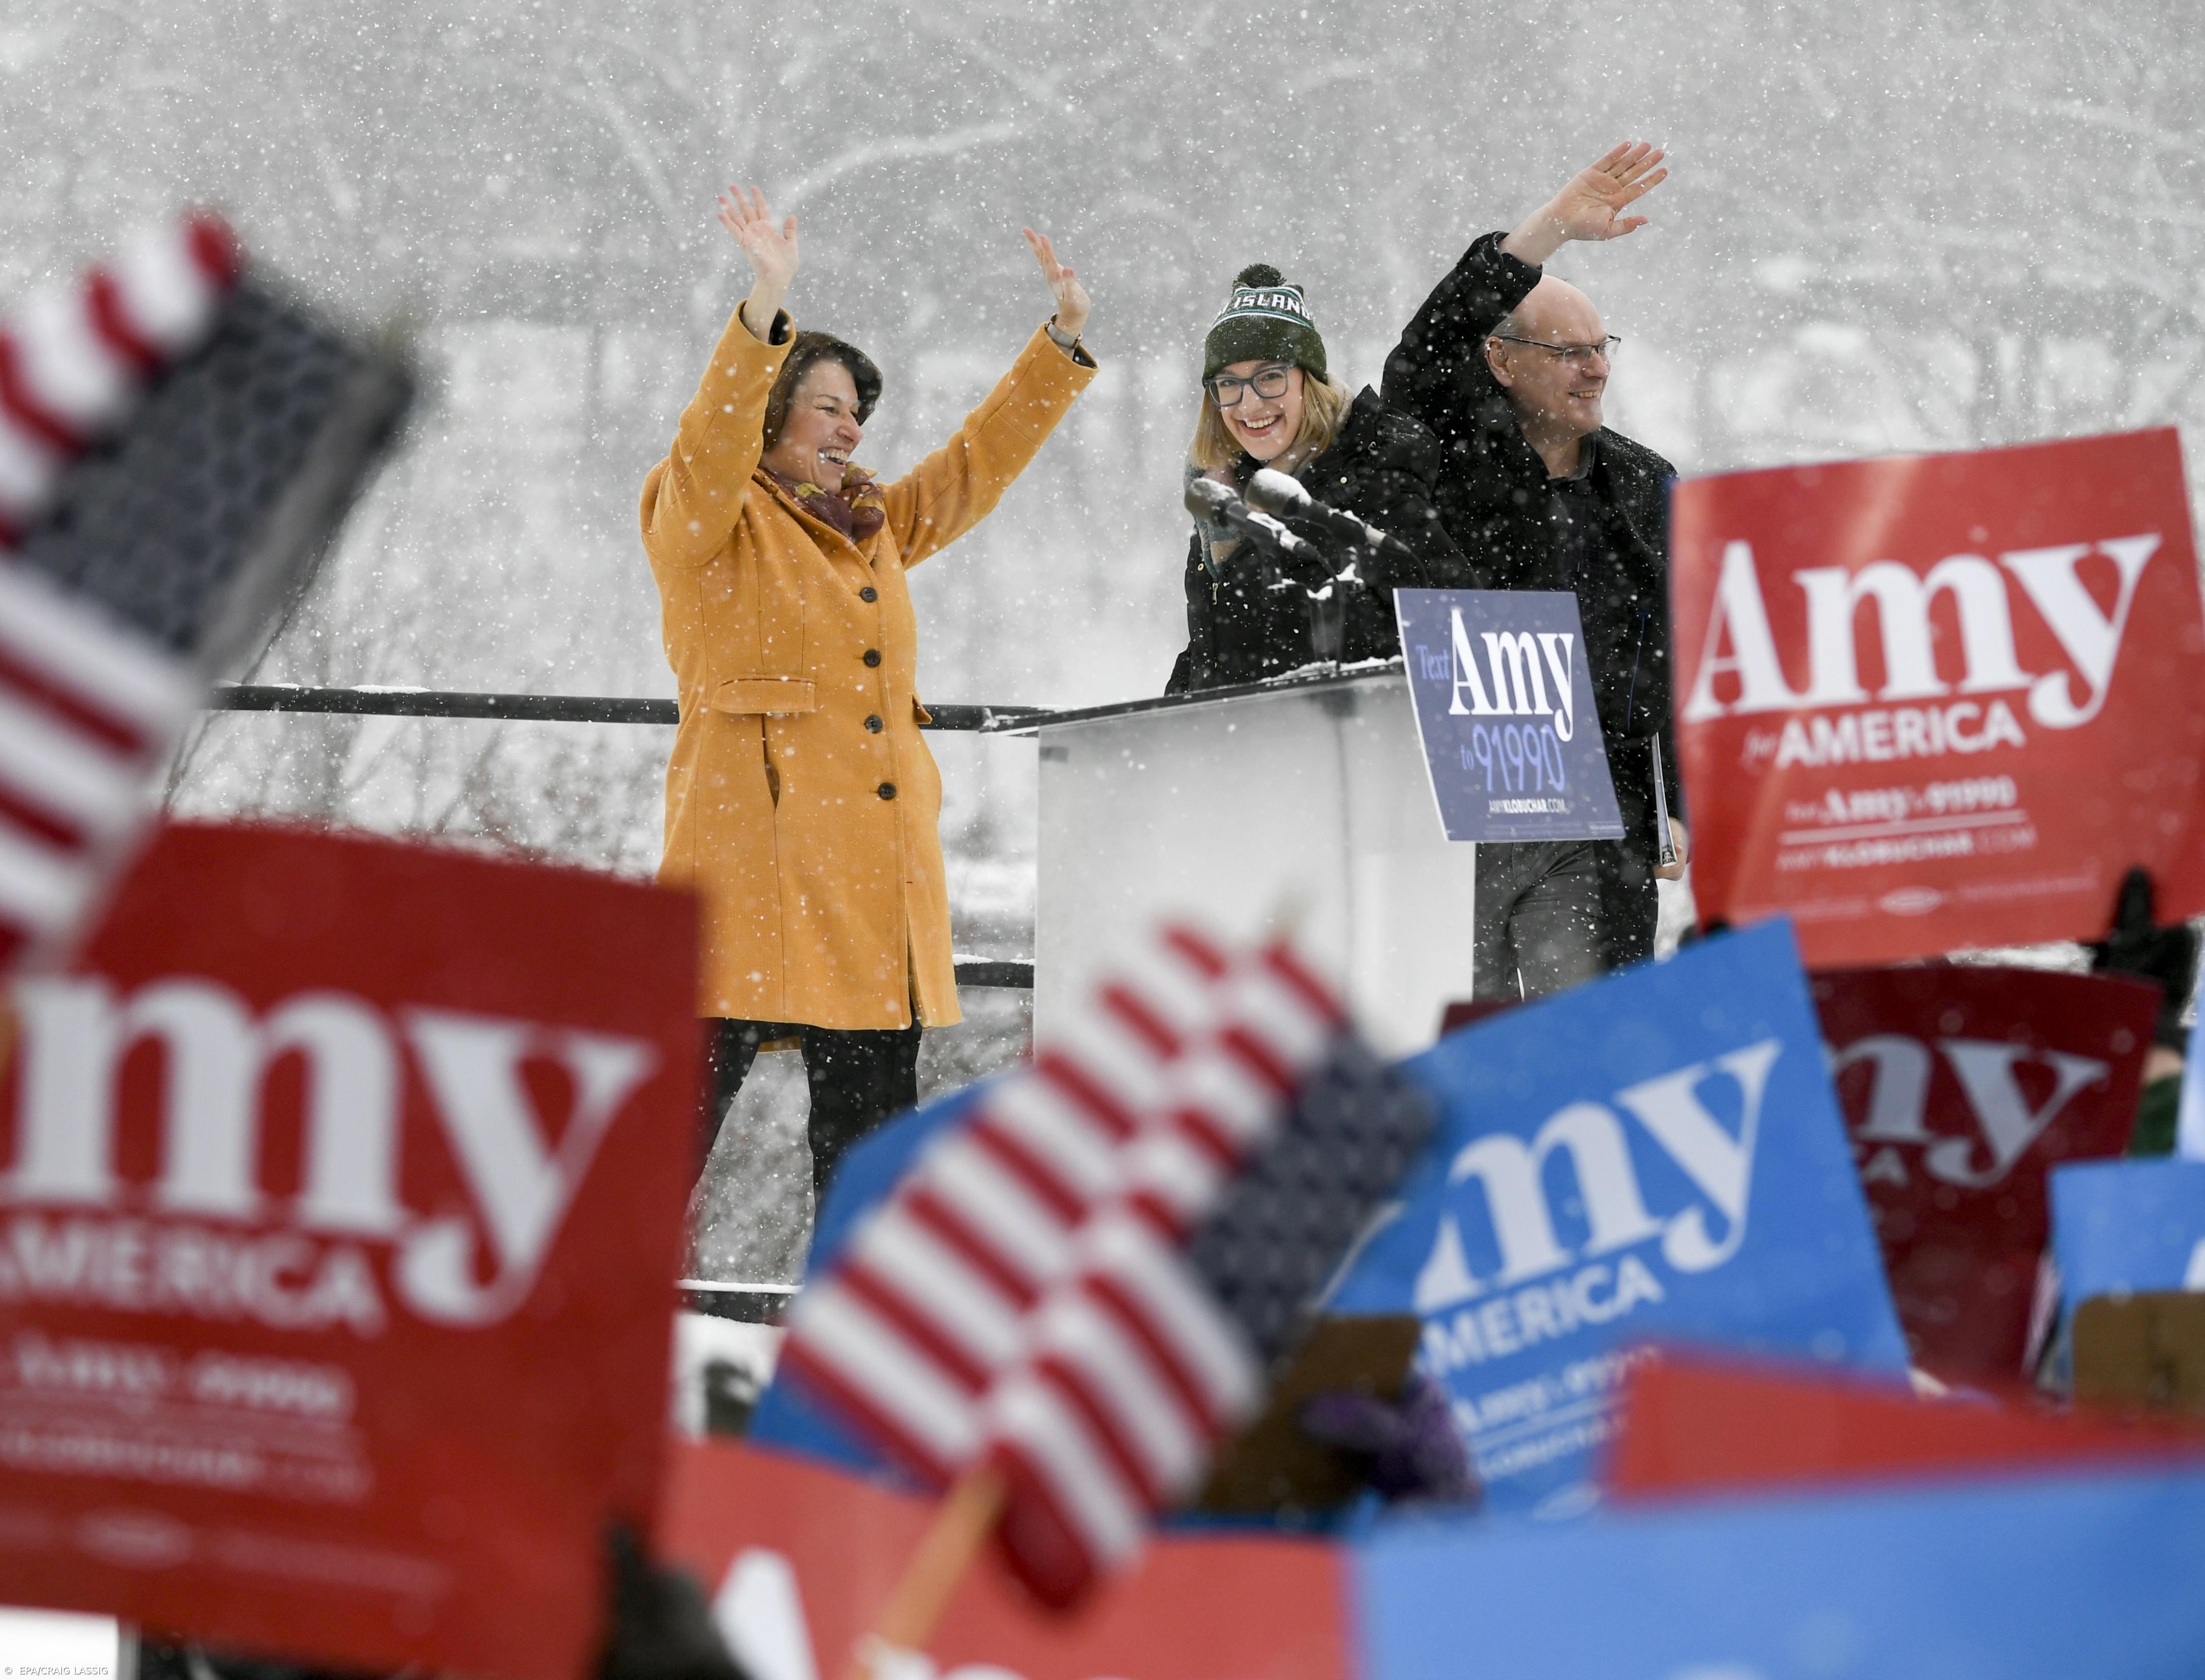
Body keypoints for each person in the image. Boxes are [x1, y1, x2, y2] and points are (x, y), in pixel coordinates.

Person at [640, 185, 1096, 1199]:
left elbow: (971, 471)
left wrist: (1059, 343)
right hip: (745, 875)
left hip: (867, 885)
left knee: (864, 1167)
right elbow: (710, 439)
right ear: (771, 411)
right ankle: (582, 1304)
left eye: (858, 412)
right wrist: (764, 305)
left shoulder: (869, 521)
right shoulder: (705, 519)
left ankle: (846, 1305)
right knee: (657, 1157)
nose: (850, 428)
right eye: (828, 407)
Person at [1382, 143, 1688, 991]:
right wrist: (1549, 230)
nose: (1597, 368)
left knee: (1597, 1042)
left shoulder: (1644, 485)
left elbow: (1679, 653)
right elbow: (1425, 348)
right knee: (1467, 1039)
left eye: (1602, 347)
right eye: (1569, 352)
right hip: (1464, 807)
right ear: (1501, 360)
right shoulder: (1447, 455)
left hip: (1610, 819)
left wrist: (1677, 807)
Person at [1166, 264, 1465, 693]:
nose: (1249, 404)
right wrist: (1169, 716)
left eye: (1270, 377)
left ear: (1310, 381)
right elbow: (1211, 648)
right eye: (1229, 383)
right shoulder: (1224, 502)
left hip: (1348, 733)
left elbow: (1461, 636)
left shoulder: (1374, 485)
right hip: (1244, 735)